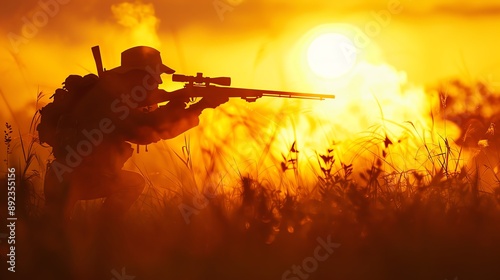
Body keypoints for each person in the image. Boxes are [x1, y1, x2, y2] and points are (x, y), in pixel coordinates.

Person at [43, 46, 228, 224]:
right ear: (139, 76)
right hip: (78, 179)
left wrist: (179, 103)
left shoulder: (106, 94)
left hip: (62, 177)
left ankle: (98, 236)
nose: (159, 82)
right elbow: (149, 131)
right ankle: (102, 233)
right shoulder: (112, 100)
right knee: (133, 184)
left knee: (51, 237)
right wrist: (198, 106)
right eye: (155, 76)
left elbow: (147, 125)